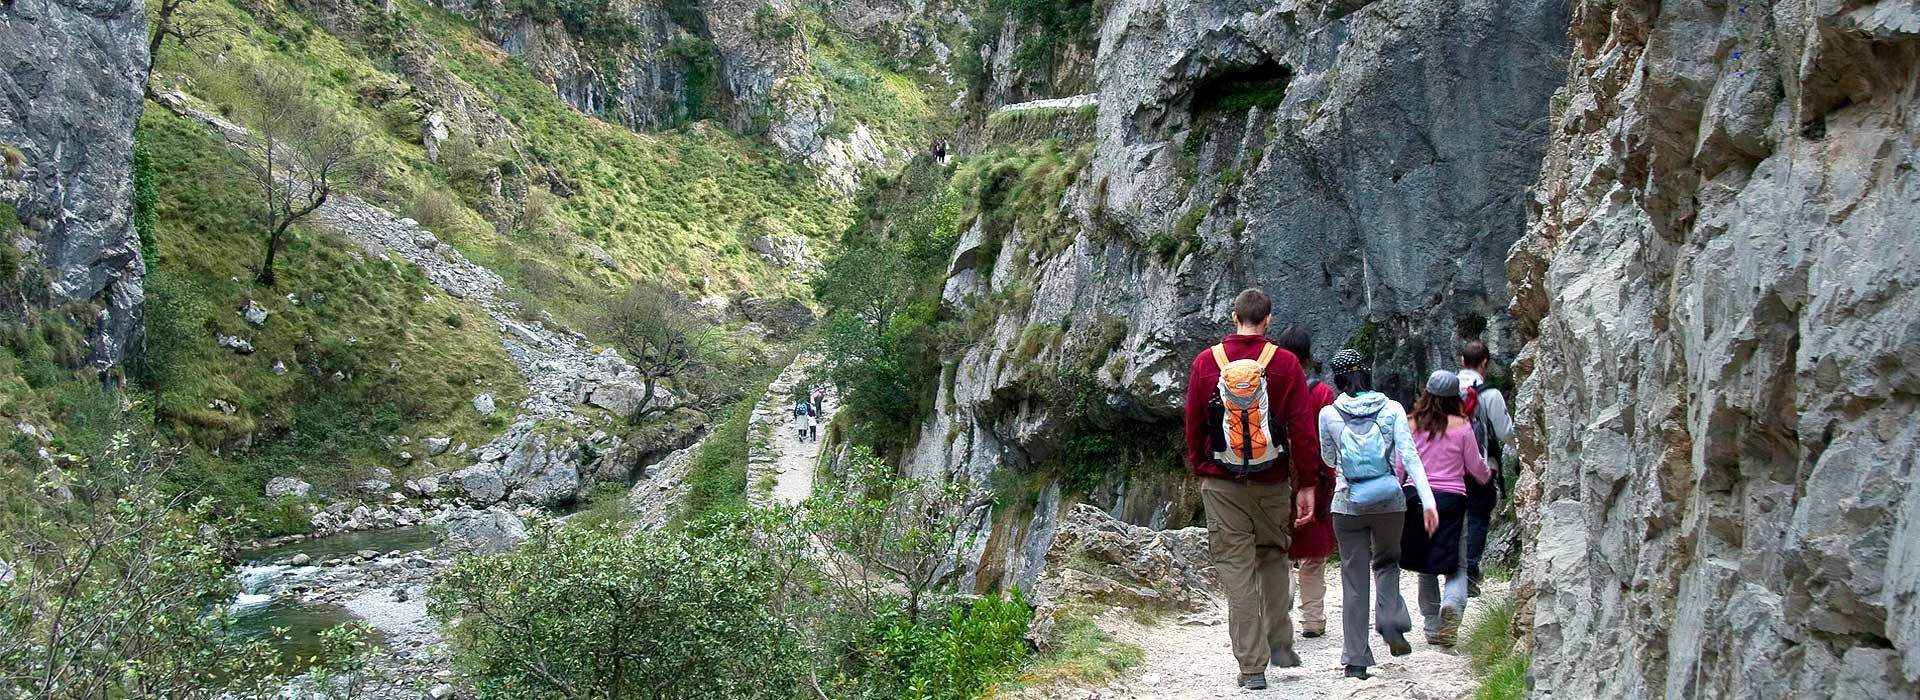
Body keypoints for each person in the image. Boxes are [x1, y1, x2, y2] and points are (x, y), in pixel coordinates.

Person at [1181, 289, 1321, 691]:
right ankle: (1280, 642)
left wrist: (1200, 466)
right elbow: (1302, 430)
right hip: (1272, 481)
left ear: (1233, 317)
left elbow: (1193, 421)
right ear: (1268, 320)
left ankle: (1252, 668)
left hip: (1220, 482)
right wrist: (1306, 482)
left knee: (1237, 573)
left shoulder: (1207, 362)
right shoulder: (1286, 363)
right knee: (1273, 557)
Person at [1318, 348, 1436, 680]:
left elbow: (1328, 459)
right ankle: (1390, 621)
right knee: (1387, 564)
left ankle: (1356, 660)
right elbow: (1410, 457)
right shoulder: (1393, 408)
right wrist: (1428, 501)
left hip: (1347, 504)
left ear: (1338, 379)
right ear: (1368, 374)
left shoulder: (1328, 414)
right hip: (1389, 501)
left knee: (1354, 580)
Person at [1406, 370, 1491, 647]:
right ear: (1455, 396)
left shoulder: (1411, 424)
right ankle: (1452, 605)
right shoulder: (1463, 426)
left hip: (1418, 498)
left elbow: (1400, 462)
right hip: (1452, 500)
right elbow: (1475, 467)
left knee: (1425, 564)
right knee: (1457, 564)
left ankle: (1431, 625)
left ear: (1426, 393)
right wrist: (1486, 474)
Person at [1275, 325, 1336, 639]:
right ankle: (1313, 619)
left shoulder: (1270, 388)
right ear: (1309, 355)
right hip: (1314, 480)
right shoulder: (1321, 393)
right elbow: (1329, 441)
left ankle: (1280, 618)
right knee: (1314, 553)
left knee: (1280, 551)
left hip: (1275, 478)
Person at [1457, 341, 1514, 593]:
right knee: (1478, 516)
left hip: (1446, 465)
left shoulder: (1444, 387)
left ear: (1461, 360)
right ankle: (1469, 568)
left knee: (1453, 515)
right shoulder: (1490, 394)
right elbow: (1505, 432)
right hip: (1481, 463)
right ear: (1485, 364)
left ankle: (1451, 566)